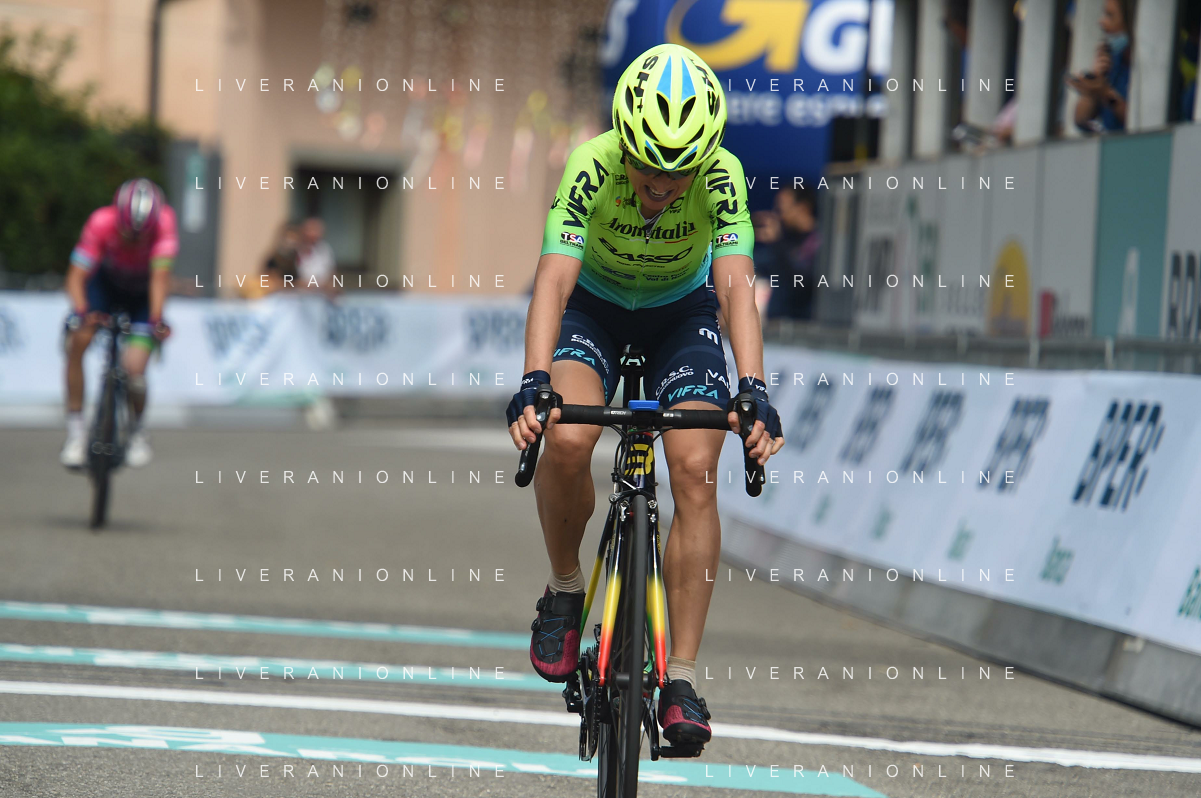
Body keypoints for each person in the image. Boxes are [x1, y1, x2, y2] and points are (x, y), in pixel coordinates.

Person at [506, 43, 785, 748]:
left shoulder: (721, 174)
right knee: (567, 435)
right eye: (648, 168)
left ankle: (681, 677)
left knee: (694, 467)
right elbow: (553, 279)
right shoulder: (591, 164)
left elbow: (734, 285)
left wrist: (752, 387)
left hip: (679, 317)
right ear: (624, 144)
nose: (661, 185)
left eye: (678, 172)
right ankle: (565, 587)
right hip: (594, 310)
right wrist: (534, 380)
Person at [60, 178, 177, 468]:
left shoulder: (164, 223)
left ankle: (137, 431)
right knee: (78, 341)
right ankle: (76, 433)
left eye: (141, 236)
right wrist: (82, 311)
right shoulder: (100, 222)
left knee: (135, 369)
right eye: (127, 233)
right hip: (105, 287)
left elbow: (160, 279)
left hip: (141, 294)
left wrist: (156, 319)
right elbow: (76, 276)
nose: (134, 240)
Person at [1068, 0, 1131, 133]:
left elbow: (1139, 121)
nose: (1101, 22)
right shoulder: (1113, 62)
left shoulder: (1150, 69)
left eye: (1110, 15)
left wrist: (1106, 93)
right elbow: (1081, 120)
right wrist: (1095, 80)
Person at [764, 187, 821, 321]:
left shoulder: (819, 240)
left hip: (803, 323)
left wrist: (777, 243)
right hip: (778, 322)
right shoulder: (788, 240)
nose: (778, 216)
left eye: (781, 209)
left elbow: (802, 282)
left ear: (803, 208)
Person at [296, 217, 337, 292]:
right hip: (296, 294)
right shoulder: (294, 249)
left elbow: (331, 274)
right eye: (311, 230)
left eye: (317, 230)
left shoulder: (325, 249)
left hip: (320, 293)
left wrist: (330, 285)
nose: (314, 234)